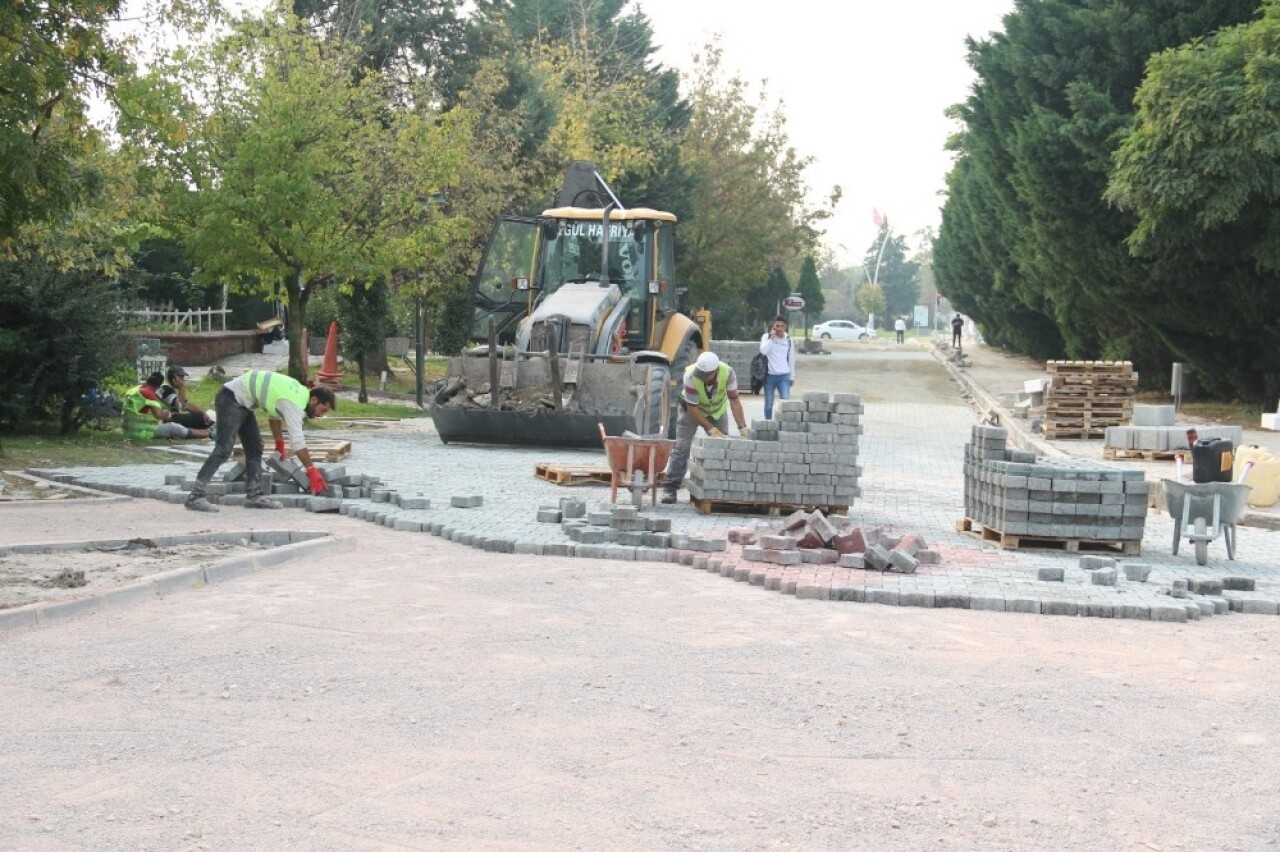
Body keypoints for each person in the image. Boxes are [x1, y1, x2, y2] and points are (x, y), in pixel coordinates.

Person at [185, 370, 336, 512]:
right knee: (224, 449)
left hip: (243, 402)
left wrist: (279, 444)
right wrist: (311, 470)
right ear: (314, 400)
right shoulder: (294, 403)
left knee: (255, 448)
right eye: (322, 410)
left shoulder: (298, 394)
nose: (321, 415)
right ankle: (196, 496)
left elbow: (274, 416)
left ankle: (254, 496)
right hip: (230, 399)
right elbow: (298, 443)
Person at [660, 351, 749, 504]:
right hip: (690, 411)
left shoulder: (728, 373)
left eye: (705, 374)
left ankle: (718, 489)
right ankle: (670, 488)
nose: (701, 376)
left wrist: (742, 427)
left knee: (722, 448)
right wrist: (710, 429)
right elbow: (693, 409)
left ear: (715, 372)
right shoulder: (690, 375)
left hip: (717, 411)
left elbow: (734, 401)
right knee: (682, 447)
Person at [122, 375, 211, 441]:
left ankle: (207, 432)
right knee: (175, 428)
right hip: (143, 432)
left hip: (129, 429)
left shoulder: (134, 390)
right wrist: (166, 413)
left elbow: (141, 409)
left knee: (175, 426)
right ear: (158, 386)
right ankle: (210, 434)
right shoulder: (150, 393)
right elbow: (159, 415)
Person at [759, 315, 796, 420]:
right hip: (769, 376)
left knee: (785, 403)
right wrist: (771, 338)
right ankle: (768, 424)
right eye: (777, 326)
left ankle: (783, 425)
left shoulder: (789, 340)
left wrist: (792, 376)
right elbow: (763, 351)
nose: (779, 329)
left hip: (784, 376)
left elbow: (791, 359)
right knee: (769, 404)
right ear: (773, 326)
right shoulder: (766, 337)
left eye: (782, 326)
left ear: (785, 327)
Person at [159, 366, 214, 432]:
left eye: (183, 377)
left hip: (173, 417)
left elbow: (186, 405)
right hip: (166, 419)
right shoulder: (165, 388)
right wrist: (181, 387)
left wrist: (203, 413)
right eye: (181, 377)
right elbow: (180, 406)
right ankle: (212, 427)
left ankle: (212, 426)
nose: (183, 380)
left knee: (200, 416)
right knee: (199, 419)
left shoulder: (171, 389)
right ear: (173, 378)